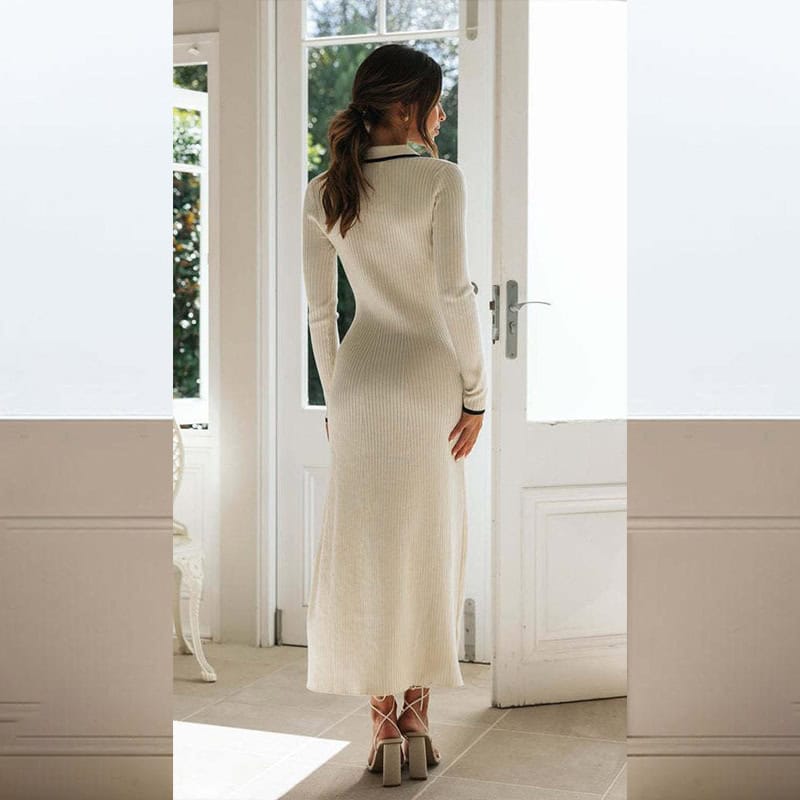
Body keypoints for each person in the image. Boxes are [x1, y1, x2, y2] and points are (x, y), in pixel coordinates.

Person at [301, 43, 488, 787]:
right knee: (426, 544)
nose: (441, 117)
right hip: (426, 380)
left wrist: (337, 395)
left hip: (358, 381)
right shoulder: (441, 179)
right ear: (409, 108)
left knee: (366, 549)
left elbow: (321, 314)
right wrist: (476, 392)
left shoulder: (325, 190)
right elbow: (452, 294)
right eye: (437, 103)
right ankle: (416, 714)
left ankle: (379, 721)